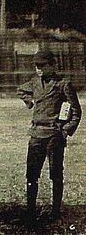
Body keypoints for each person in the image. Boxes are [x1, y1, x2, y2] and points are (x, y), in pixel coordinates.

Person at [17, 49, 80, 224]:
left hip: (54, 135)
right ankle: (30, 211)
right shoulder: (35, 83)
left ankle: (55, 211)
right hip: (36, 134)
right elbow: (20, 90)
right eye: (36, 66)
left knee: (56, 174)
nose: (39, 69)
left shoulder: (63, 84)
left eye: (43, 66)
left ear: (53, 65)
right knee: (31, 174)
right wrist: (29, 102)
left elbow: (76, 111)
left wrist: (66, 130)